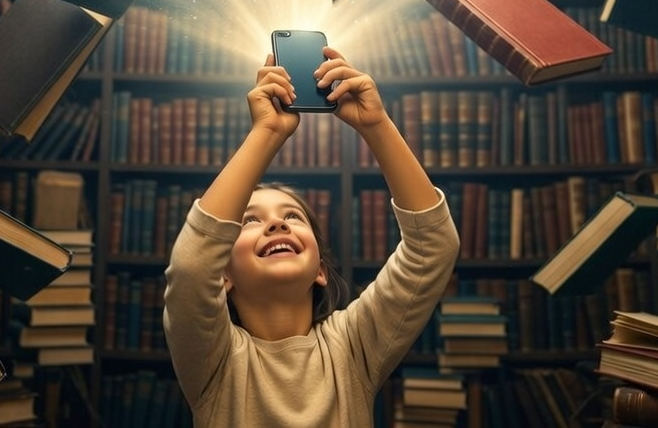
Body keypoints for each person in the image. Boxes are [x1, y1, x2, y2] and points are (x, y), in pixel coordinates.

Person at [163, 45, 460, 426]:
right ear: (223, 276)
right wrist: (267, 131)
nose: (277, 224)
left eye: (292, 216)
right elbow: (191, 267)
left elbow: (433, 249)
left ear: (320, 269)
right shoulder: (213, 359)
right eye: (250, 221)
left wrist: (377, 124)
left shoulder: (352, 347)